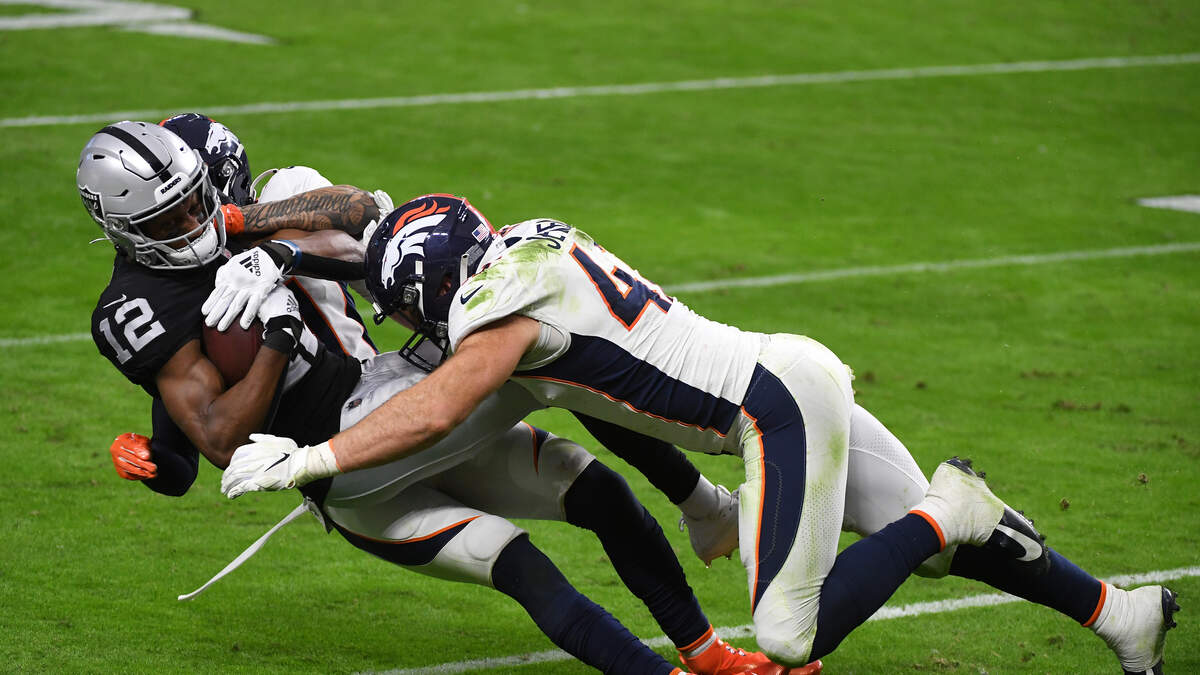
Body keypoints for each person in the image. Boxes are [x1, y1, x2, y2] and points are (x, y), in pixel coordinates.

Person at [221, 194, 1179, 672]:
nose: (411, 327)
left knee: (792, 631)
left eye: (410, 308)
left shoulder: (495, 317)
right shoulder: (523, 244)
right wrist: (269, 239)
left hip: (772, 413)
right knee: (919, 548)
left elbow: (432, 408)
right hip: (790, 373)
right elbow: (605, 402)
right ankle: (1118, 613)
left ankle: (954, 506)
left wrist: (310, 457)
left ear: (437, 289)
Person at [85, 119, 819, 675]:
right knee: (519, 546)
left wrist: (267, 243)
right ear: (122, 227)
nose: (196, 225)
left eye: (203, 202)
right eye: (169, 220)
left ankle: (710, 647)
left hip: (387, 383)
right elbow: (208, 439)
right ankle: (705, 516)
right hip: (349, 471)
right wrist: (273, 340)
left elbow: (363, 219)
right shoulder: (137, 306)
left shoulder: (268, 205)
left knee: (594, 481)